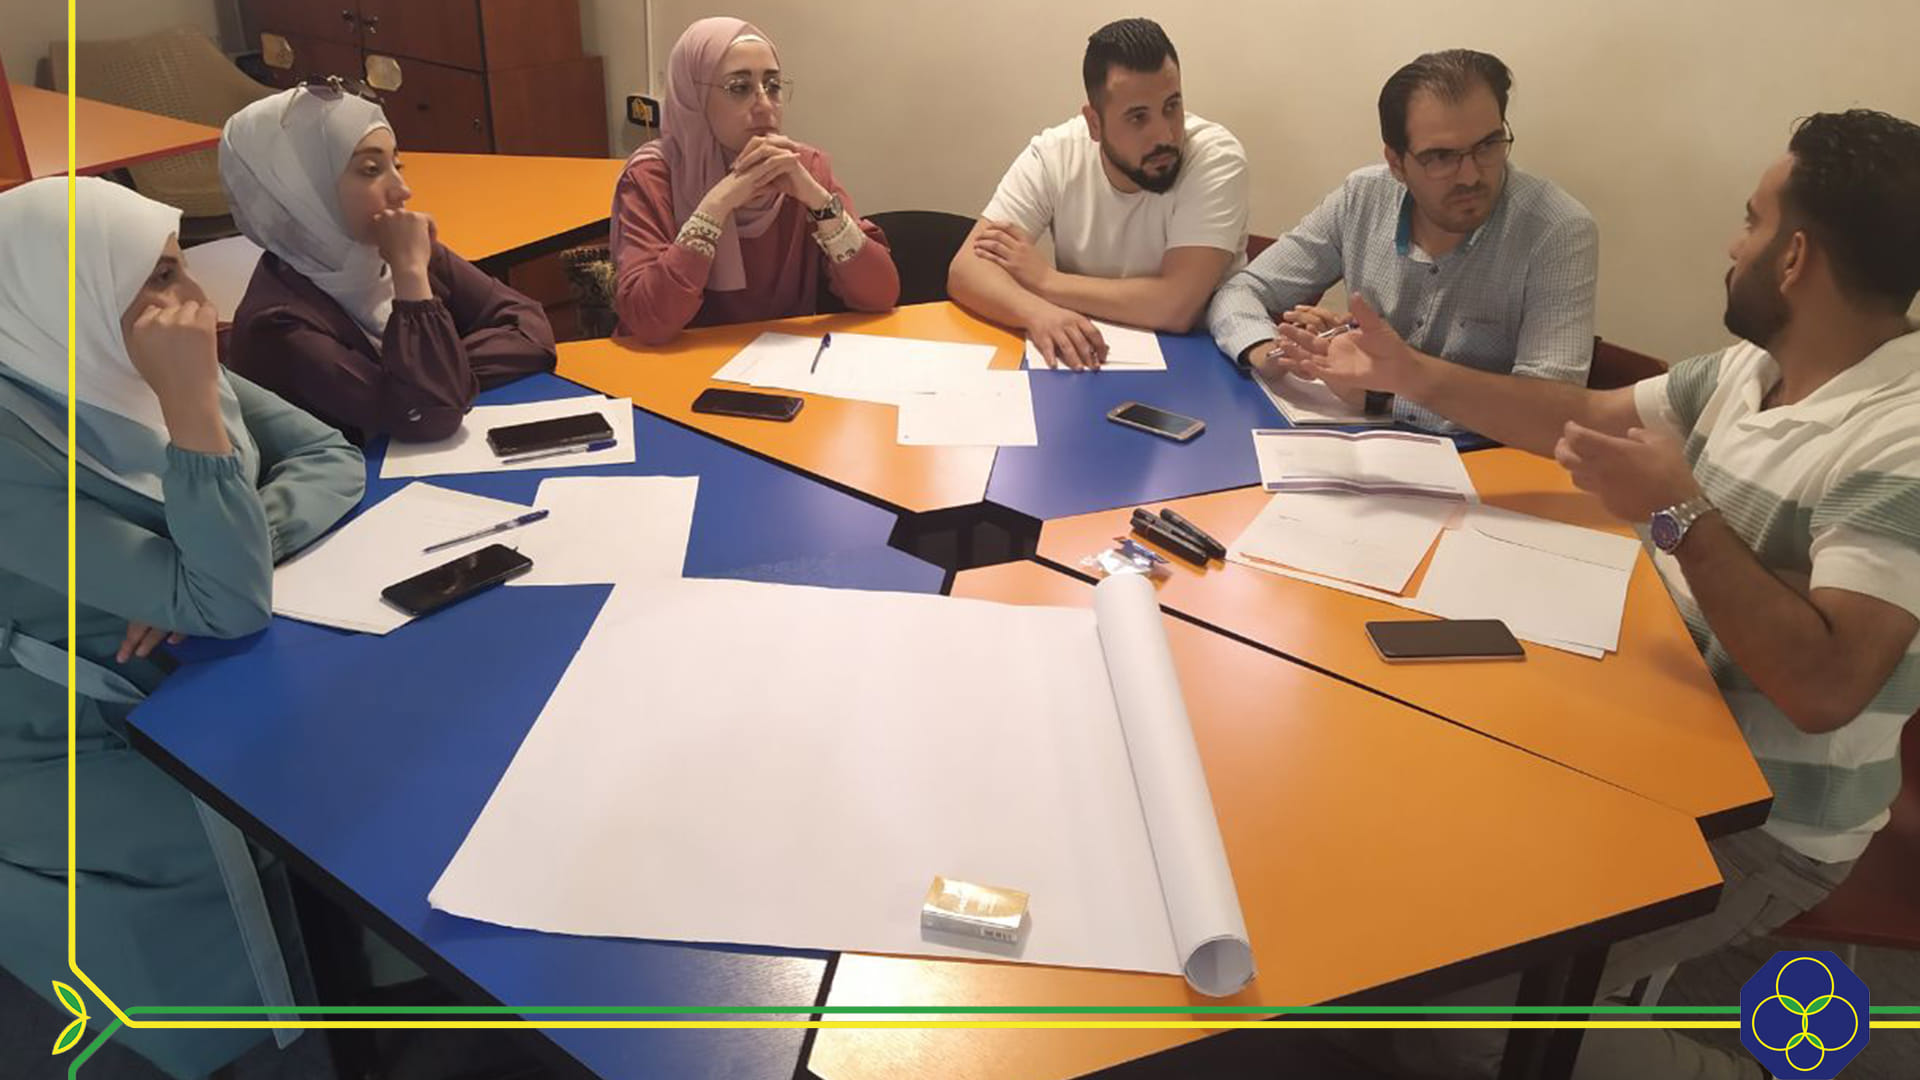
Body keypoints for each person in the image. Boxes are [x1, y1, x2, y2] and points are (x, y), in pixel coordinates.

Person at [1286, 109, 1920, 1079]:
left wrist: (1682, 516)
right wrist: (1413, 373)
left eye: (1751, 222)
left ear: (1794, 259)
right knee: (1383, 841)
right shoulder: (1756, 369)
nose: (1732, 245)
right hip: (1642, 722)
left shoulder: (1900, 439)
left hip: (1760, 823)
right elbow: (1582, 414)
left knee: (1432, 1012)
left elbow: (1827, 685)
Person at [0, 177, 366, 1078]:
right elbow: (230, 603)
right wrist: (193, 411)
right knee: (320, 801)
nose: (196, 300)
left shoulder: (122, 355)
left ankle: (354, 994)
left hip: (199, 668)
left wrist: (216, 557)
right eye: (160, 276)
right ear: (66, 290)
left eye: (179, 264)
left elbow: (330, 455)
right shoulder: (33, 432)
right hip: (80, 734)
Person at [1209, 49, 1596, 430]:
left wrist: (1383, 396)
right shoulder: (1362, 197)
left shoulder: (1556, 229)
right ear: (1396, 163)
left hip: (1489, 458)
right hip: (1358, 443)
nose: (1471, 176)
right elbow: (1240, 291)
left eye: (1487, 146)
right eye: (1441, 157)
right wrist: (1274, 353)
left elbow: (1550, 410)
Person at [221, 80, 557, 445]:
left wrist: (439, 376)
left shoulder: (392, 247)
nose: (402, 190)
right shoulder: (277, 325)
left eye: (397, 164)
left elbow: (530, 329)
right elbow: (430, 414)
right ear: (298, 189)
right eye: (370, 169)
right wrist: (411, 276)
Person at [948, 17, 1249, 370]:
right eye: (1138, 117)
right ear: (1094, 123)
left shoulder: (1215, 158)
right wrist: (1035, 312)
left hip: (1202, 369)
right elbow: (967, 270)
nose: (1165, 135)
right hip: (1088, 359)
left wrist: (1046, 281)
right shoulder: (1055, 154)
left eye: (1172, 106)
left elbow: (1176, 306)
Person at [610, 17, 900, 344]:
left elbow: (880, 295)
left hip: (778, 361)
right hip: (674, 361)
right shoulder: (653, 175)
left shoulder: (803, 168)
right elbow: (648, 321)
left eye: (773, 86)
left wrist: (819, 203)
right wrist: (716, 206)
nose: (764, 106)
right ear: (693, 97)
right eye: (739, 88)